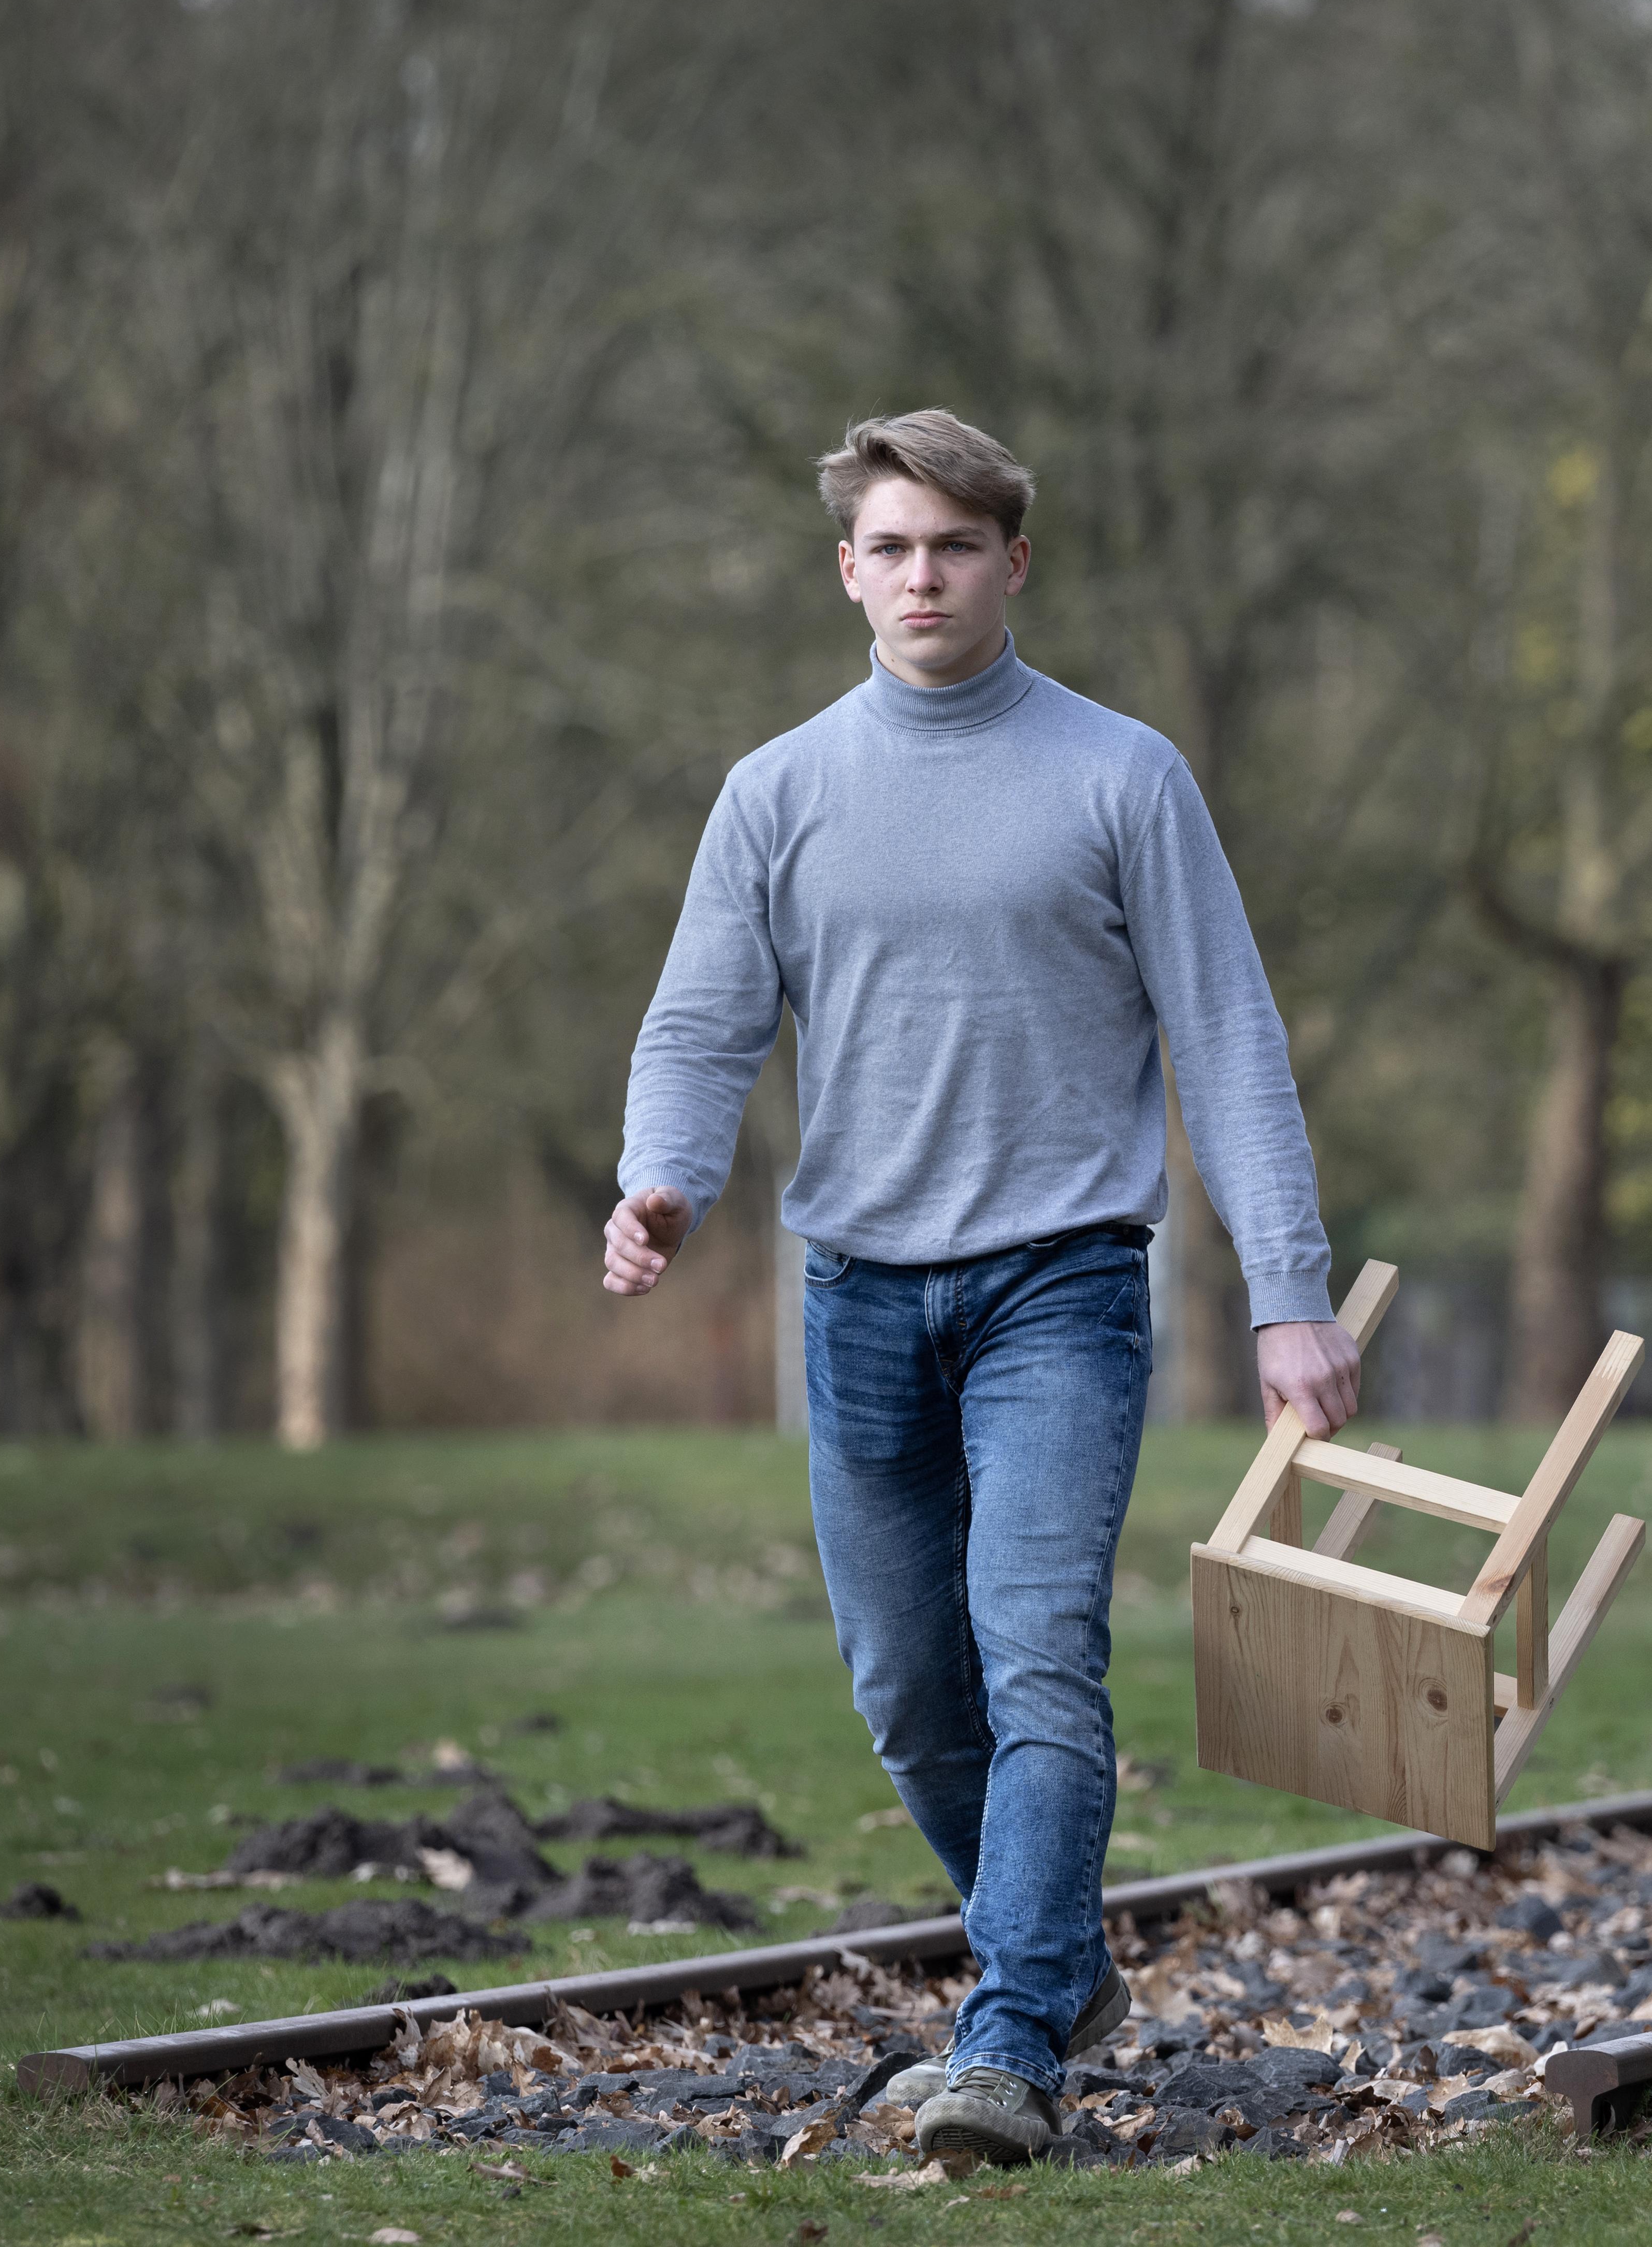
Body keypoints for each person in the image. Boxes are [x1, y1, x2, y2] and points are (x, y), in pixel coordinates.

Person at [599, 409, 1357, 2167]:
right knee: (904, 1692)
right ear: (846, 570)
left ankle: (1007, 2045)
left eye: (955, 545)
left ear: (1014, 561)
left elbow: (1229, 1038)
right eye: (890, 546)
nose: (921, 575)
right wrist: (666, 1179)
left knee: (1038, 1662)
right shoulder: (777, 793)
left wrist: (1284, 1291)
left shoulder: (1121, 775)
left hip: (1063, 1294)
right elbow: (701, 1026)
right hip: (856, 1291)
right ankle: (1058, 1954)